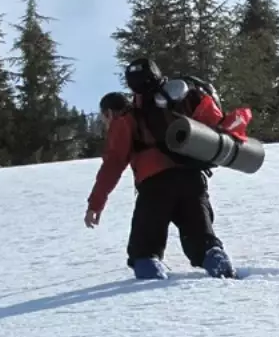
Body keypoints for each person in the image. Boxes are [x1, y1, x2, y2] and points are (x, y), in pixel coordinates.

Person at [85, 58, 238, 280]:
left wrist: (95, 204)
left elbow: (114, 163)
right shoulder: (180, 101)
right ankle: (220, 266)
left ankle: (152, 293)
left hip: (155, 184)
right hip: (192, 178)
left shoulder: (129, 118)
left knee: (145, 249)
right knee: (201, 238)